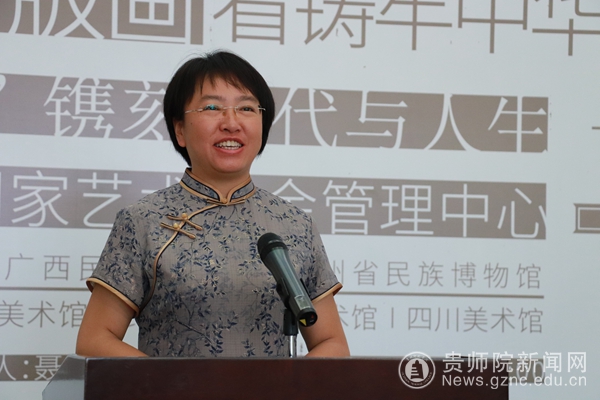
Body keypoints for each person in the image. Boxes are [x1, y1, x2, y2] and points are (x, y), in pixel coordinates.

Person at [76, 50, 350, 358]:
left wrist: (289, 383)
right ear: (180, 129)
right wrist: (170, 382)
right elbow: (95, 339)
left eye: (246, 108)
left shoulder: (294, 224)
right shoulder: (144, 220)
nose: (231, 123)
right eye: (211, 107)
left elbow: (332, 343)